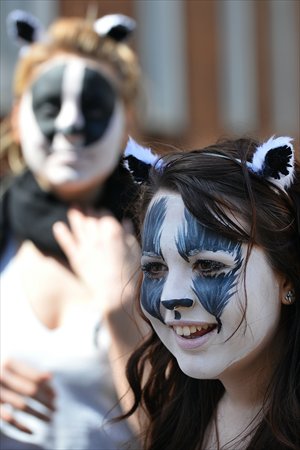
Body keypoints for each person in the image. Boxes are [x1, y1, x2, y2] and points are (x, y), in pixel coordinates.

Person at [0, 10, 143, 450]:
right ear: (19, 116)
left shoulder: (161, 240)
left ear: (125, 124)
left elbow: (178, 429)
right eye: (50, 105)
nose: (71, 125)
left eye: (94, 107)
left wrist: (122, 307)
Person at [120, 136, 300, 449]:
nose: (169, 297)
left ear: (286, 277)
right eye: (155, 269)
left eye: (208, 266)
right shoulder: (176, 418)